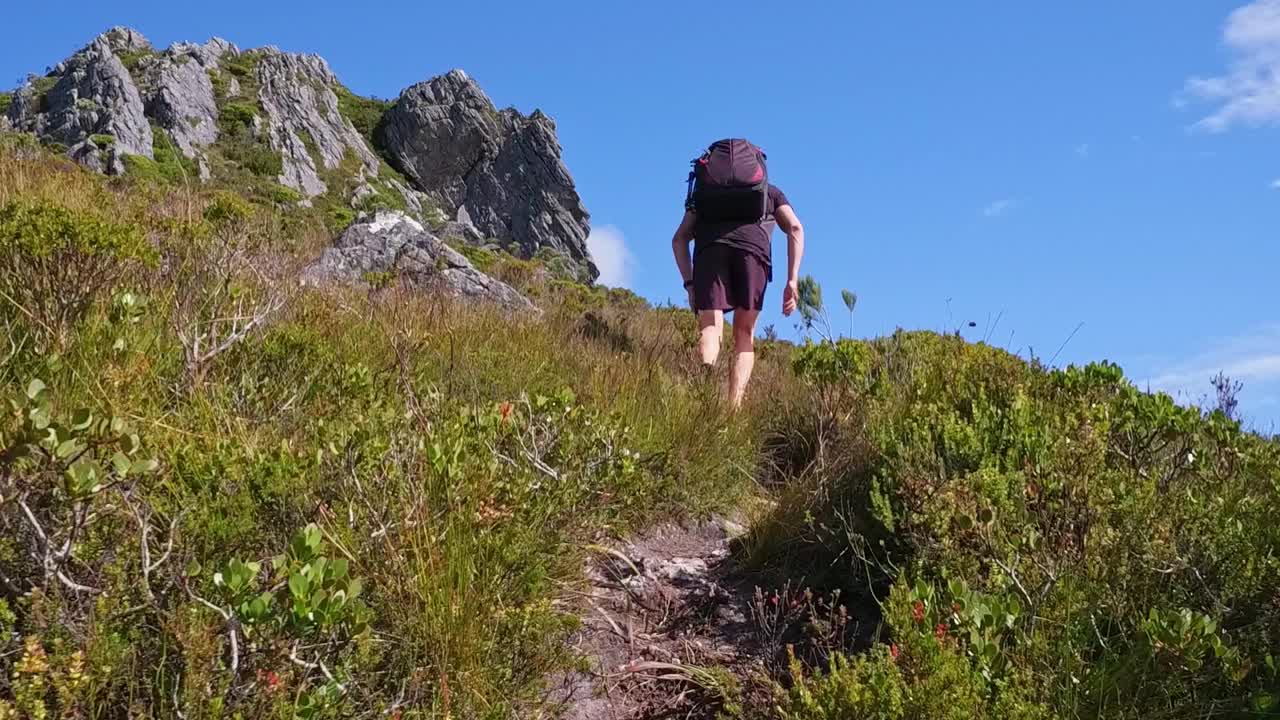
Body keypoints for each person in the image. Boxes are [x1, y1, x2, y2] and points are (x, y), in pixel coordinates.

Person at [671, 158, 804, 409]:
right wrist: (792, 281)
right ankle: (734, 409)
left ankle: (704, 392)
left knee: (710, 326)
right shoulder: (770, 192)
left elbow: (679, 239)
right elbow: (795, 228)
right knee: (744, 333)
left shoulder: (706, 193)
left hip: (710, 250)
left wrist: (690, 285)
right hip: (753, 254)